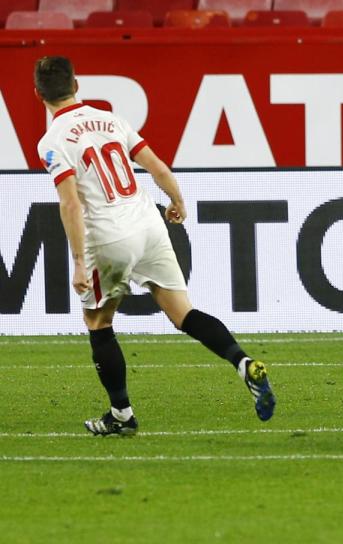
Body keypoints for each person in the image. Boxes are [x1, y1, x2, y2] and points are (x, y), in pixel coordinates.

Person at [35, 56, 276, 435]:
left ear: (39, 95)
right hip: (148, 223)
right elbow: (157, 165)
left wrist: (80, 262)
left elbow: (70, 203)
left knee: (98, 322)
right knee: (183, 313)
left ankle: (121, 416)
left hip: (109, 236)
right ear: (77, 85)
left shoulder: (51, 142)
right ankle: (243, 363)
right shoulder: (112, 120)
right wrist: (177, 200)